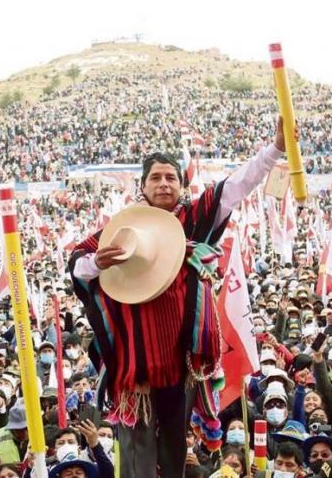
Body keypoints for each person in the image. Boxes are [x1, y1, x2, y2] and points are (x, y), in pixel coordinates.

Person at [70, 118, 287, 478]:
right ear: (142, 186)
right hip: (133, 367)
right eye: (155, 177)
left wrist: (275, 149)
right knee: (137, 454)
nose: (164, 183)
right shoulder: (121, 227)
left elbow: (236, 186)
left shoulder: (191, 220)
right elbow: (77, 265)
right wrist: (96, 262)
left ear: (182, 186)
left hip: (179, 365)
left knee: (173, 452)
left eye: (171, 177)